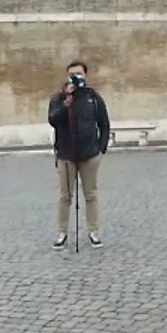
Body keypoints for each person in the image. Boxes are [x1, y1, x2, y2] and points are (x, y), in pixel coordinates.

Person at [47, 60, 110, 249]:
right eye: (72, 74)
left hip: (90, 154)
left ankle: (93, 231)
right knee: (65, 196)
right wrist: (67, 103)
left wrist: (101, 148)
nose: (76, 76)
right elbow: (53, 120)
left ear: (85, 75)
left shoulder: (93, 97)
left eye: (79, 73)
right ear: (67, 76)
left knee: (91, 194)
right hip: (66, 154)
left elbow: (104, 124)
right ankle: (62, 232)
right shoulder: (59, 98)